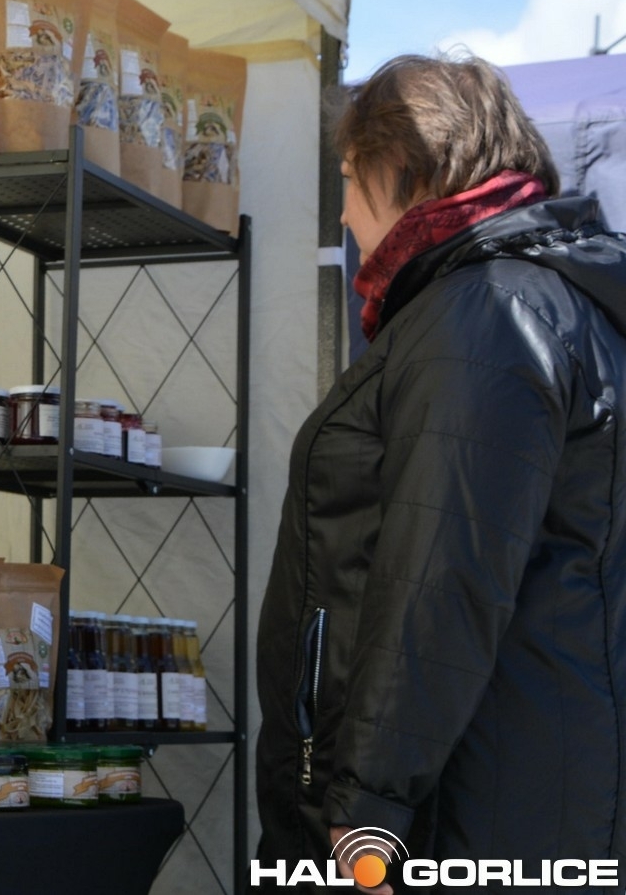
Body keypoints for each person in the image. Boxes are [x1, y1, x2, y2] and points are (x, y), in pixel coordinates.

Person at [256, 53, 626, 892]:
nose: (343, 212)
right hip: (519, 792)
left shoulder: (487, 313)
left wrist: (370, 807)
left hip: (456, 817)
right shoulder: (546, 301)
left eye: (349, 178)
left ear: (406, 166)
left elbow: (442, 574)